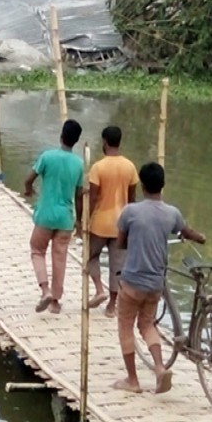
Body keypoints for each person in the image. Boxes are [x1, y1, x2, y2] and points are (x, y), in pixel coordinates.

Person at [114, 162, 205, 394]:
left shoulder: (130, 212)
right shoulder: (171, 213)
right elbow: (186, 231)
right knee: (146, 324)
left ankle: (132, 381)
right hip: (156, 284)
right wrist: (200, 238)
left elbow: (120, 243)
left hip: (132, 281)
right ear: (162, 186)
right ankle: (159, 367)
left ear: (142, 186)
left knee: (126, 326)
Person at [24, 120, 84, 314]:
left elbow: (29, 178)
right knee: (60, 258)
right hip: (66, 218)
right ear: (76, 141)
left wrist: (28, 190)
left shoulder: (47, 157)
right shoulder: (79, 163)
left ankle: (45, 290)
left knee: (37, 250)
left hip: (46, 215)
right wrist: (79, 220)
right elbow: (79, 195)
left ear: (61, 136)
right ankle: (56, 302)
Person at [86, 125, 138, 318]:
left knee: (91, 256)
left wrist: (84, 221)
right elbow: (133, 199)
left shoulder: (98, 167)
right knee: (118, 267)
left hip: (100, 222)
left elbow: (92, 198)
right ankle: (111, 306)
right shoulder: (130, 167)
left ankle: (99, 288)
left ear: (105, 142)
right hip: (122, 225)